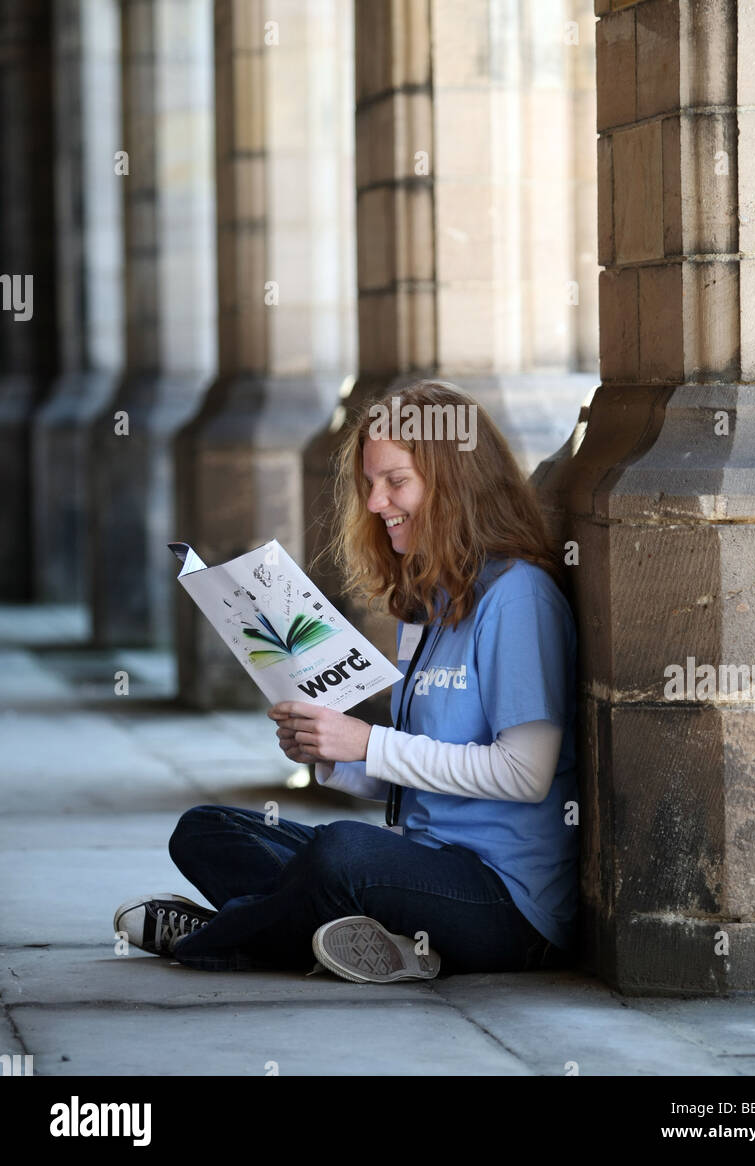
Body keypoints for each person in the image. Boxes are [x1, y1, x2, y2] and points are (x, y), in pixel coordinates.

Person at [113, 380, 580, 982]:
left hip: (505, 903)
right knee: (205, 830)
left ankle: (218, 935)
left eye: (396, 481)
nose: (377, 502)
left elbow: (525, 775)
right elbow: (419, 781)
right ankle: (358, 939)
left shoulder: (519, 597)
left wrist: (367, 742)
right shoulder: (432, 599)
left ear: (454, 484)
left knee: (341, 854)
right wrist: (331, 752)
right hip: (423, 864)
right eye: (369, 483)